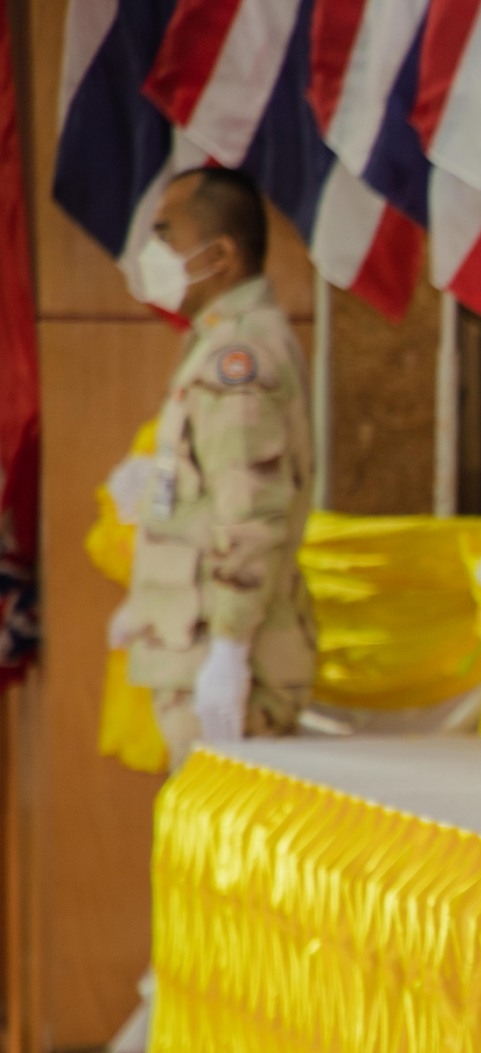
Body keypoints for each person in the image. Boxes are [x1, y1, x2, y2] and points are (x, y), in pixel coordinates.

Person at [109, 166, 316, 769]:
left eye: (166, 236)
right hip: (194, 640)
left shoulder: (239, 355)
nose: (153, 254)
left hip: (229, 658)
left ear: (219, 254)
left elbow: (251, 512)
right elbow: (207, 496)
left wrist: (229, 649)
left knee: (224, 857)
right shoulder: (219, 342)